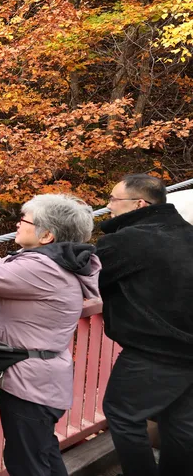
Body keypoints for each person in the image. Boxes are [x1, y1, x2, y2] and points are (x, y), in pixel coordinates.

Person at [0, 194, 101, 476]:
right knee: (42, 454)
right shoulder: (49, 261)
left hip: (31, 385)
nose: (17, 224)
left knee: (27, 462)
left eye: (24, 219)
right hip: (42, 378)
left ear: (47, 235)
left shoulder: (40, 268)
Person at [97, 174, 193, 475]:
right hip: (186, 350)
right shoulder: (187, 233)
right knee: (180, 423)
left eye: (113, 199)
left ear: (139, 204)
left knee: (122, 413)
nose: (108, 206)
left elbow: (90, 274)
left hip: (156, 351)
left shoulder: (129, 240)